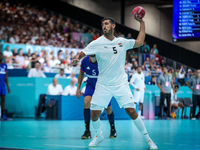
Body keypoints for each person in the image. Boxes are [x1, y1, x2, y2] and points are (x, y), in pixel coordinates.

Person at [71, 17, 157, 149]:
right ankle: (98, 135)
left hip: (121, 84)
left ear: (113, 26)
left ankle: (149, 139)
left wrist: (142, 23)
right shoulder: (97, 43)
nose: (104, 26)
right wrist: (77, 58)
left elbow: (140, 41)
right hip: (103, 84)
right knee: (94, 113)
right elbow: (82, 53)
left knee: (131, 112)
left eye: (106, 24)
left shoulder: (122, 42)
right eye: (102, 24)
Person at [76, 55, 117, 139]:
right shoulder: (85, 60)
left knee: (108, 109)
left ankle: (113, 129)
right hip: (90, 85)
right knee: (86, 102)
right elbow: (81, 73)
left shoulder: (103, 60)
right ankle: (87, 131)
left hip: (103, 86)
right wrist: (78, 87)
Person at [0, 52, 11, 120]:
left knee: (3, 99)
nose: (0, 56)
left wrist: (8, 86)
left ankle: (2, 115)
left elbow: (6, 76)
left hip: (3, 86)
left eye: (1, 55)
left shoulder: (5, 65)